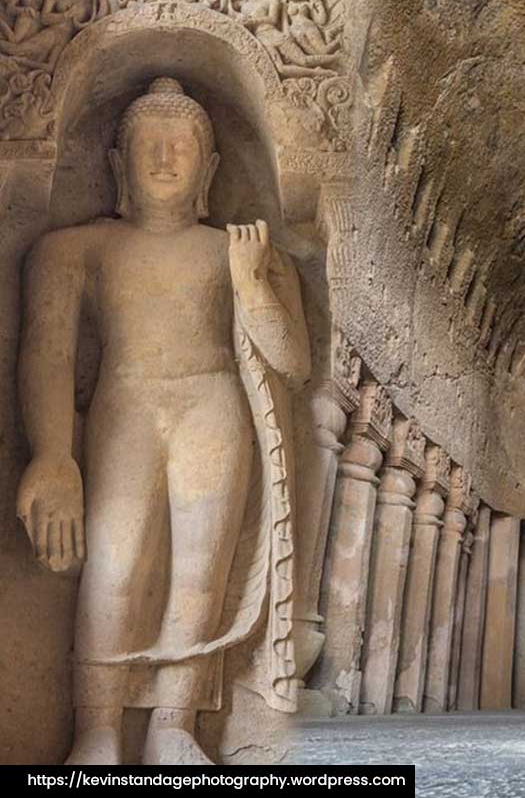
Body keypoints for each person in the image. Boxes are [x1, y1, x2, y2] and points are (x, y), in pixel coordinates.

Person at [17, 77, 308, 764]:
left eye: (182, 146)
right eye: (150, 144)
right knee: (114, 566)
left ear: (208, 167)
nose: (166, 159)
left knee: (199, 571)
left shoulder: (241, 250)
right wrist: (53, 453)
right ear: (120, 163)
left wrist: (248, 282)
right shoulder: (74, 250)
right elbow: (48, 352)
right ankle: (98, 727)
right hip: (125, 405)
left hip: (213, 407)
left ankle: (173, 724)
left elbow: (292, 360)